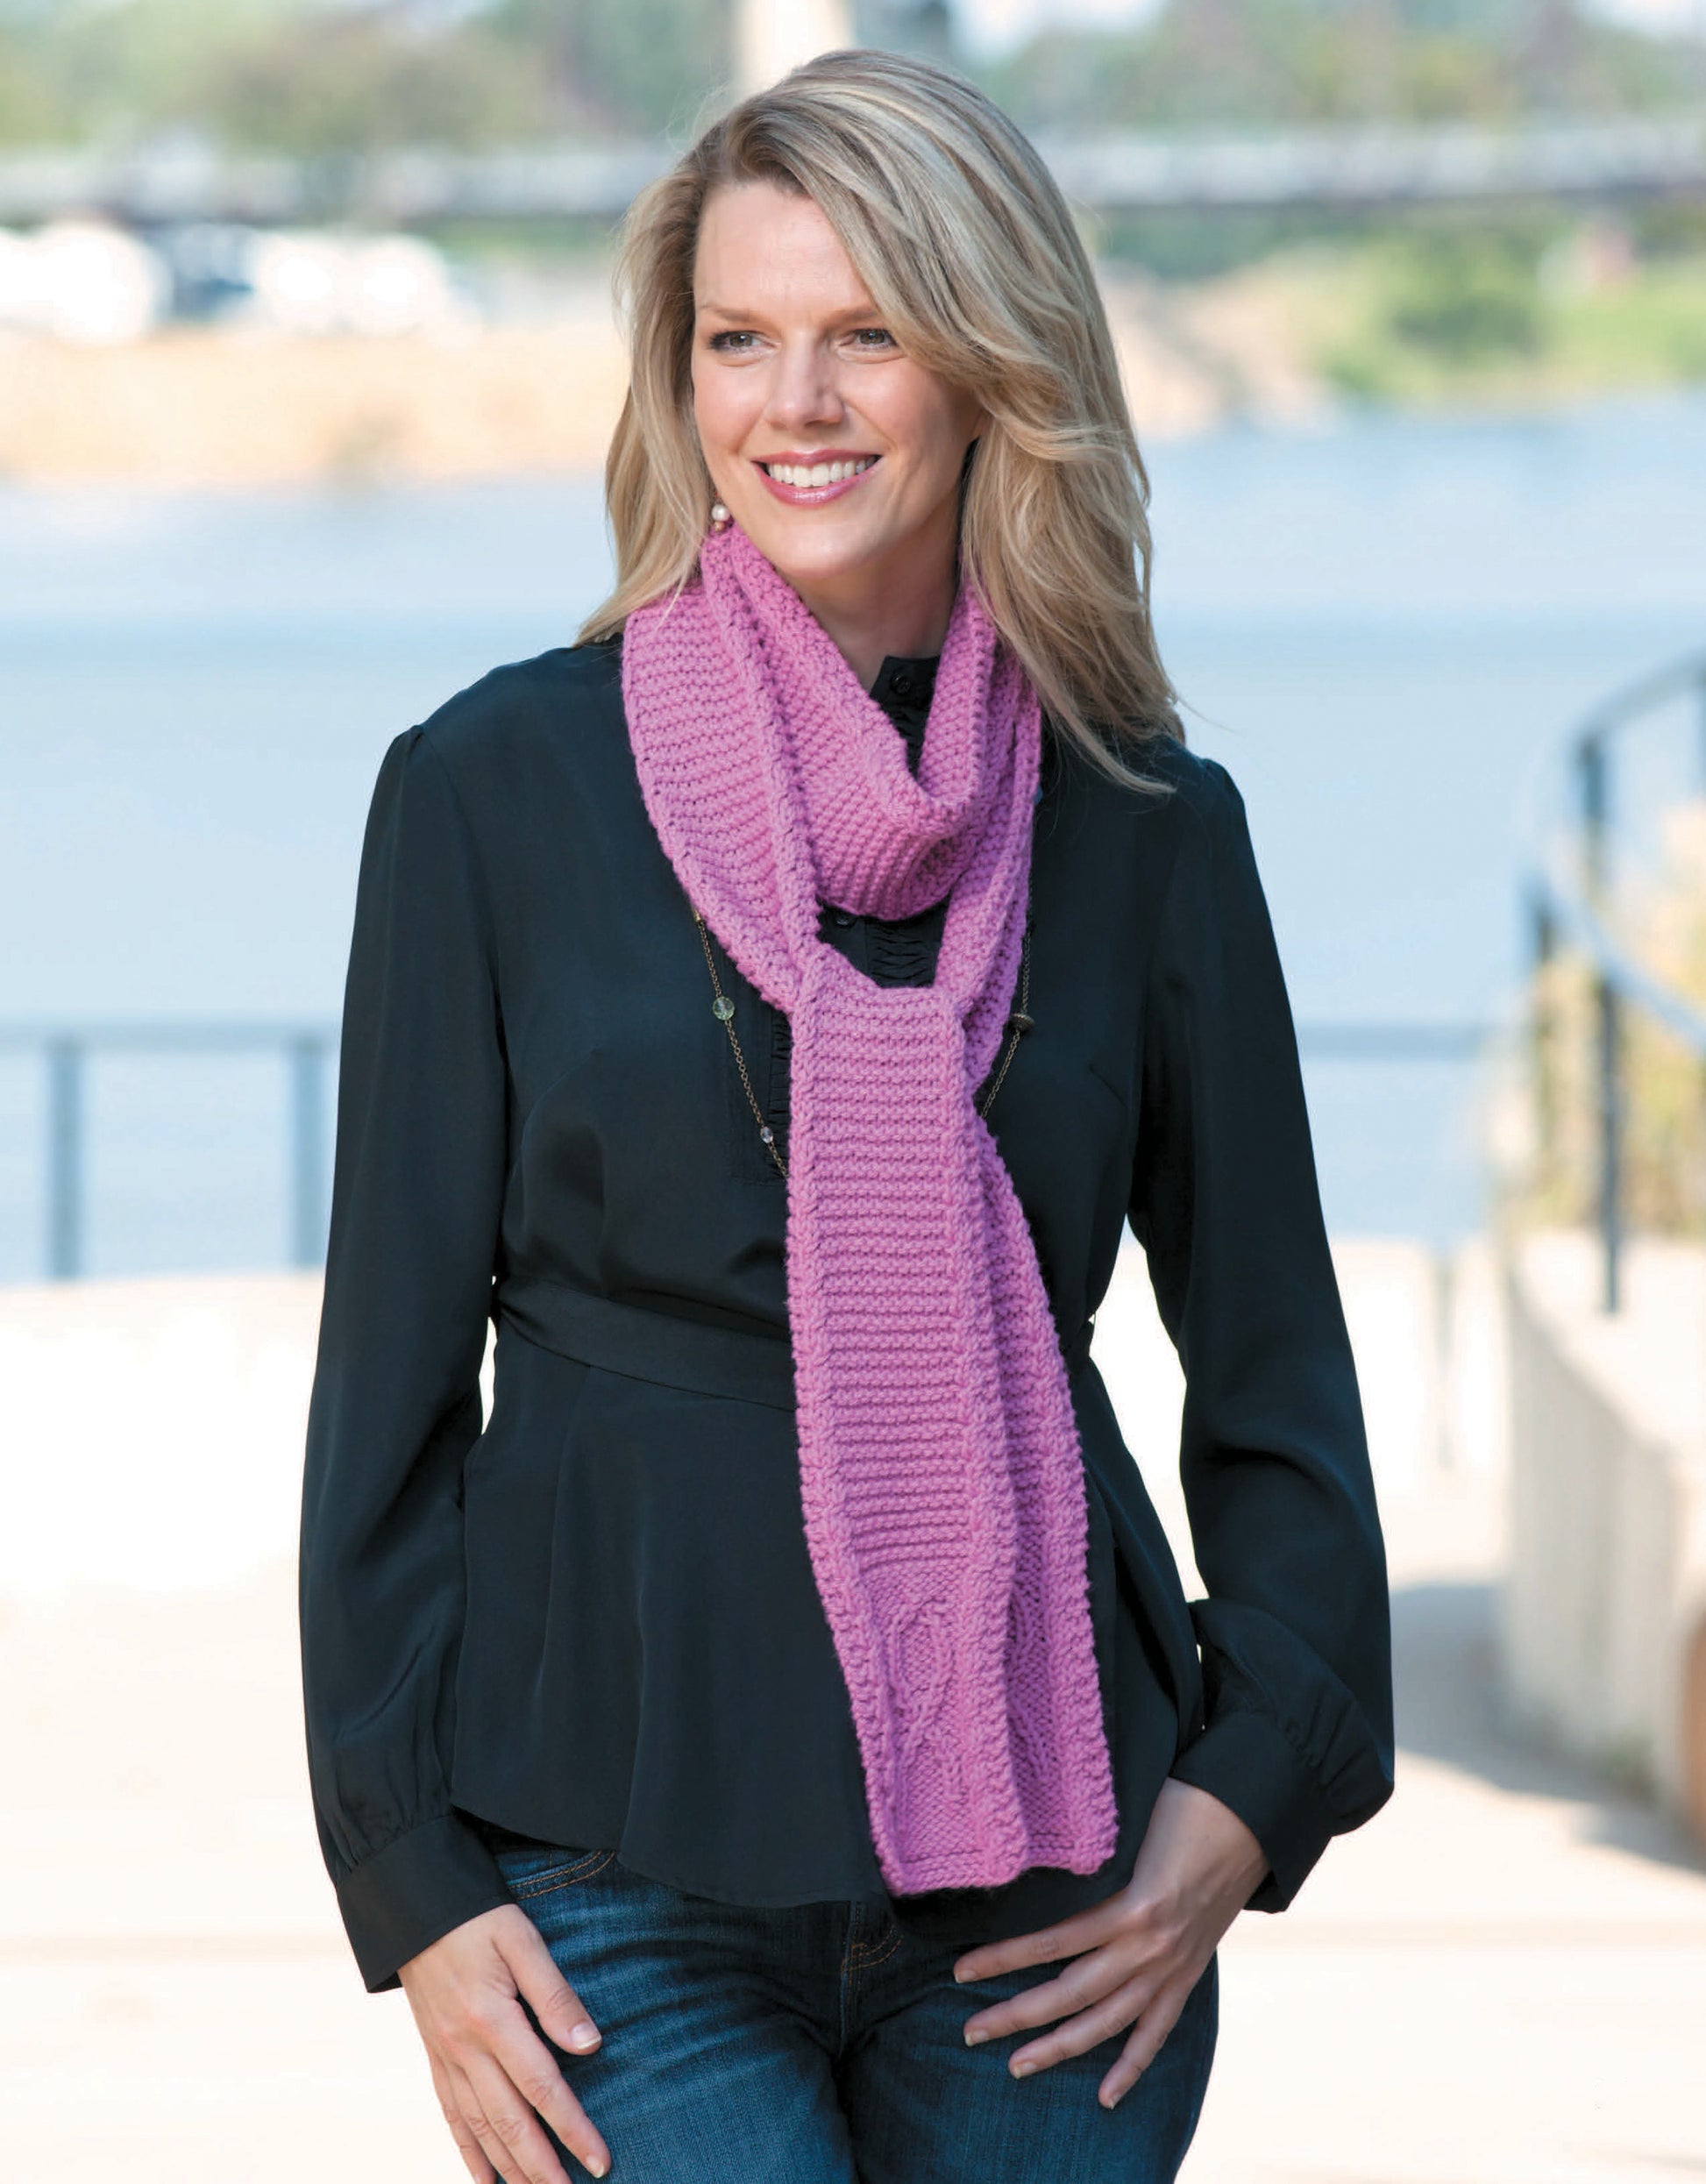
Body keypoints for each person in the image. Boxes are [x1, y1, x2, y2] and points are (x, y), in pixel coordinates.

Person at [297, 46, 1395, 2184]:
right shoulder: (493, 792)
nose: (793, 403)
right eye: (737, 339)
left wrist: (1243, 1802)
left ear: (990, 362)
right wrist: (413, 1887)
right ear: (678, 377)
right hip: (605, 1867)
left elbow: (1279, 1383)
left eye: (865, 332)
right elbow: (389, 1402)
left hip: (1055, 1878)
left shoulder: (1142, 821)